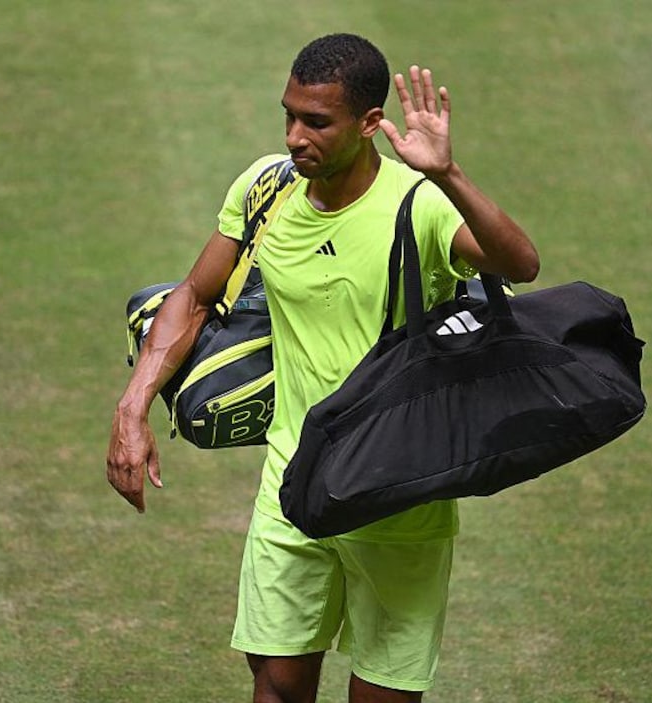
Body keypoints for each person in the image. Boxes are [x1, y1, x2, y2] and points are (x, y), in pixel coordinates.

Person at [106, 33, 539, 702]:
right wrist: (133, 405)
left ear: (370, 124)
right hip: (293, 483)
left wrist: (447, 175)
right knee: (275, 682)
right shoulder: (266, 190)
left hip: (398, 496)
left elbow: (520, 265)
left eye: (316, 122)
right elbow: (193, 296)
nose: (294, 137)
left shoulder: (415, 205)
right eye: (288, 115)